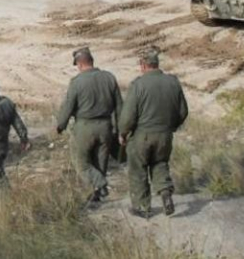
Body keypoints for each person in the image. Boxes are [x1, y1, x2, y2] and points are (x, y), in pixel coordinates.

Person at [118, 49, 188, 218]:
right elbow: (183, 111)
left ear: (143, 65)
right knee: (160, 163)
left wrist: (123, 132)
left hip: (142, 135)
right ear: (157, 64)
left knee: (138, 170)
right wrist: (172, 127)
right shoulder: (173, 82)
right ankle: (165, 191)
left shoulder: (138, 85)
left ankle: (143, 207)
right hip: (165, 134)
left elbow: (128, 116)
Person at [56, 46, 122, 206]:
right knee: (100, 163)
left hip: (84, 127)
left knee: (82, 164)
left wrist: (60, 125)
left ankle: (101, 185)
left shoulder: (77, 82)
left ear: (79, 64)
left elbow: (68, 106)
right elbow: (120, 106)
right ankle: (97, 195)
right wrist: (121, 130)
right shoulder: (109, 78)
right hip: (106, 126)